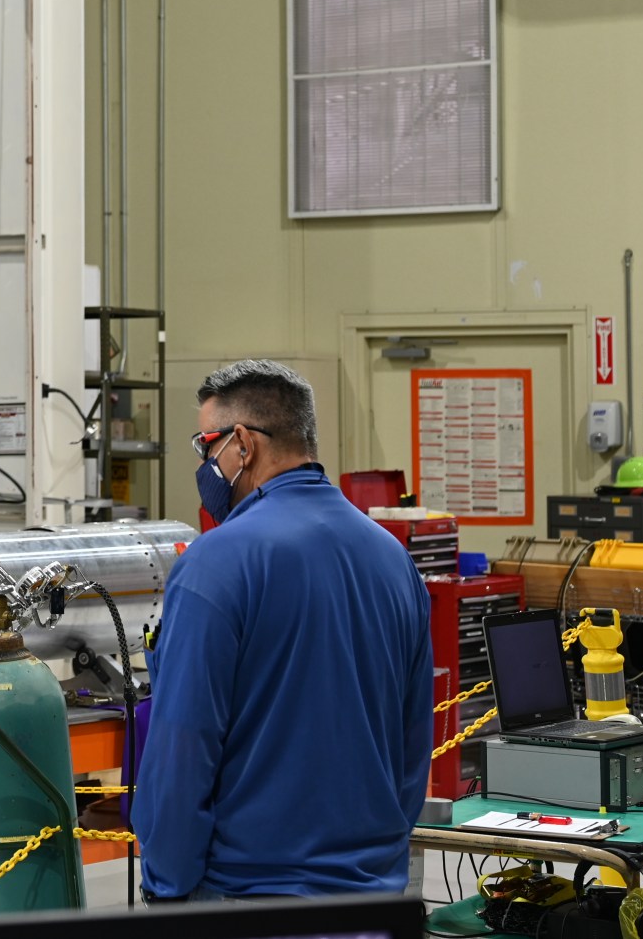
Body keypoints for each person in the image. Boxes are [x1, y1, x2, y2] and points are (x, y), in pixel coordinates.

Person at [136, 360, 432, 901]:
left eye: (207, 447)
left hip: (248, 900)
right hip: (372, 896)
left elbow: (183, 748)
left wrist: (168, 885)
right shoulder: (393, 560)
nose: (205, 464)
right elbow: (415, 740)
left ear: (242, 444)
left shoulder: (216, 562)